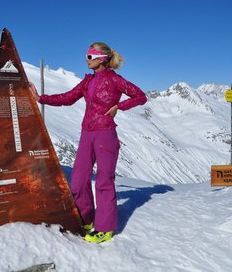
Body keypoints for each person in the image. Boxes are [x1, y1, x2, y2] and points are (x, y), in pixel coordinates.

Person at [29, 42, 147, 243]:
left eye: (90, 56)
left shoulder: (115, 80)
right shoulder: (87, 82)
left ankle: (105, 228)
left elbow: (140, 96)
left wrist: (119, 106)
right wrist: (41, 99)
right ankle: (86, 218)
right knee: (79, 178)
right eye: (86, 56)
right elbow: (67, 98)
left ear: (101, 58)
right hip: (87, 134)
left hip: (105, 134)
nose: (86, 59)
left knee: (103, 181)